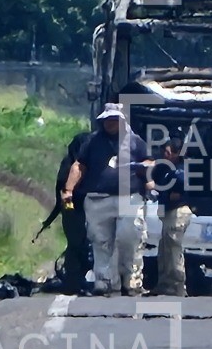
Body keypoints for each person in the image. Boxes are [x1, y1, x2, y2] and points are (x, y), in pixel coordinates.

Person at [61, 103, 151, 296]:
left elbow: (148, 162)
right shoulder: (92, 142)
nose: (110, 123)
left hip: (129, 198)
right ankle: (104, 282)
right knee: (100, 241)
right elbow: (79, 165)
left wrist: (148, 174)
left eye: (114, 119)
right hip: (98, 199)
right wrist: (68, 189)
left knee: (129, 237)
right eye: (107, 120)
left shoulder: (135, 141)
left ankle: (131, 281)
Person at [41, 130, 94, 294]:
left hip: (86, 207)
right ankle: (74, 281)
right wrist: (68, 211)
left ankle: (80, 279)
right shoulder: (70, 165)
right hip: (73, 207)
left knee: (84, 244)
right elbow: (63, 193)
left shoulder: (88, 163)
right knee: (76, 244)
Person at [150, 138, 192, 296]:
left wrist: (175, 192)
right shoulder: (167, 169)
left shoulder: (181, 169)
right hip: (167, 213)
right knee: (165, 249)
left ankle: (177, 285)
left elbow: (183, 181)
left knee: (174, 249)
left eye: (168, 153)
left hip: (177, 212)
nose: (165, 155)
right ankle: (165, 283)